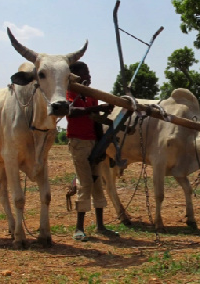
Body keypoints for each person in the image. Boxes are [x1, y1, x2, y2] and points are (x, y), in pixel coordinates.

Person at [65, 61, 118, 241]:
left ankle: (100, 226)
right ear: (75, 75)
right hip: (78, 142)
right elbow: (71, 112)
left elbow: (95, 121)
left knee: (97, 183)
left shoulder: (91, 95)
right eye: (85, 73)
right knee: (85, 182)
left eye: (89, 72)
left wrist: (100, 145)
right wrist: (97, 108)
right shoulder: (69, 92)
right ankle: (79, 228)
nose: (89, 76)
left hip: (93, 142)